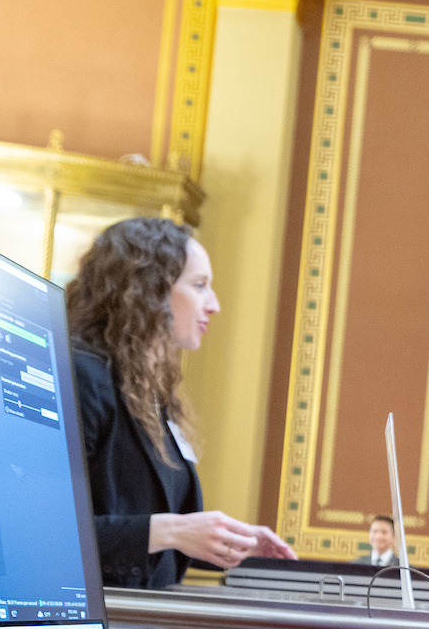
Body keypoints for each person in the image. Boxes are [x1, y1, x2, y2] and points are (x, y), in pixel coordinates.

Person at [66, 218, 295, 587]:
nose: (215, 305)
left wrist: (224, 543)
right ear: (148, 291)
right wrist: (174, 531)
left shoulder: (144, 388)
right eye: (200, 286)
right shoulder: (83, 376)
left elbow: (142, 527)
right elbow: (47, 531)